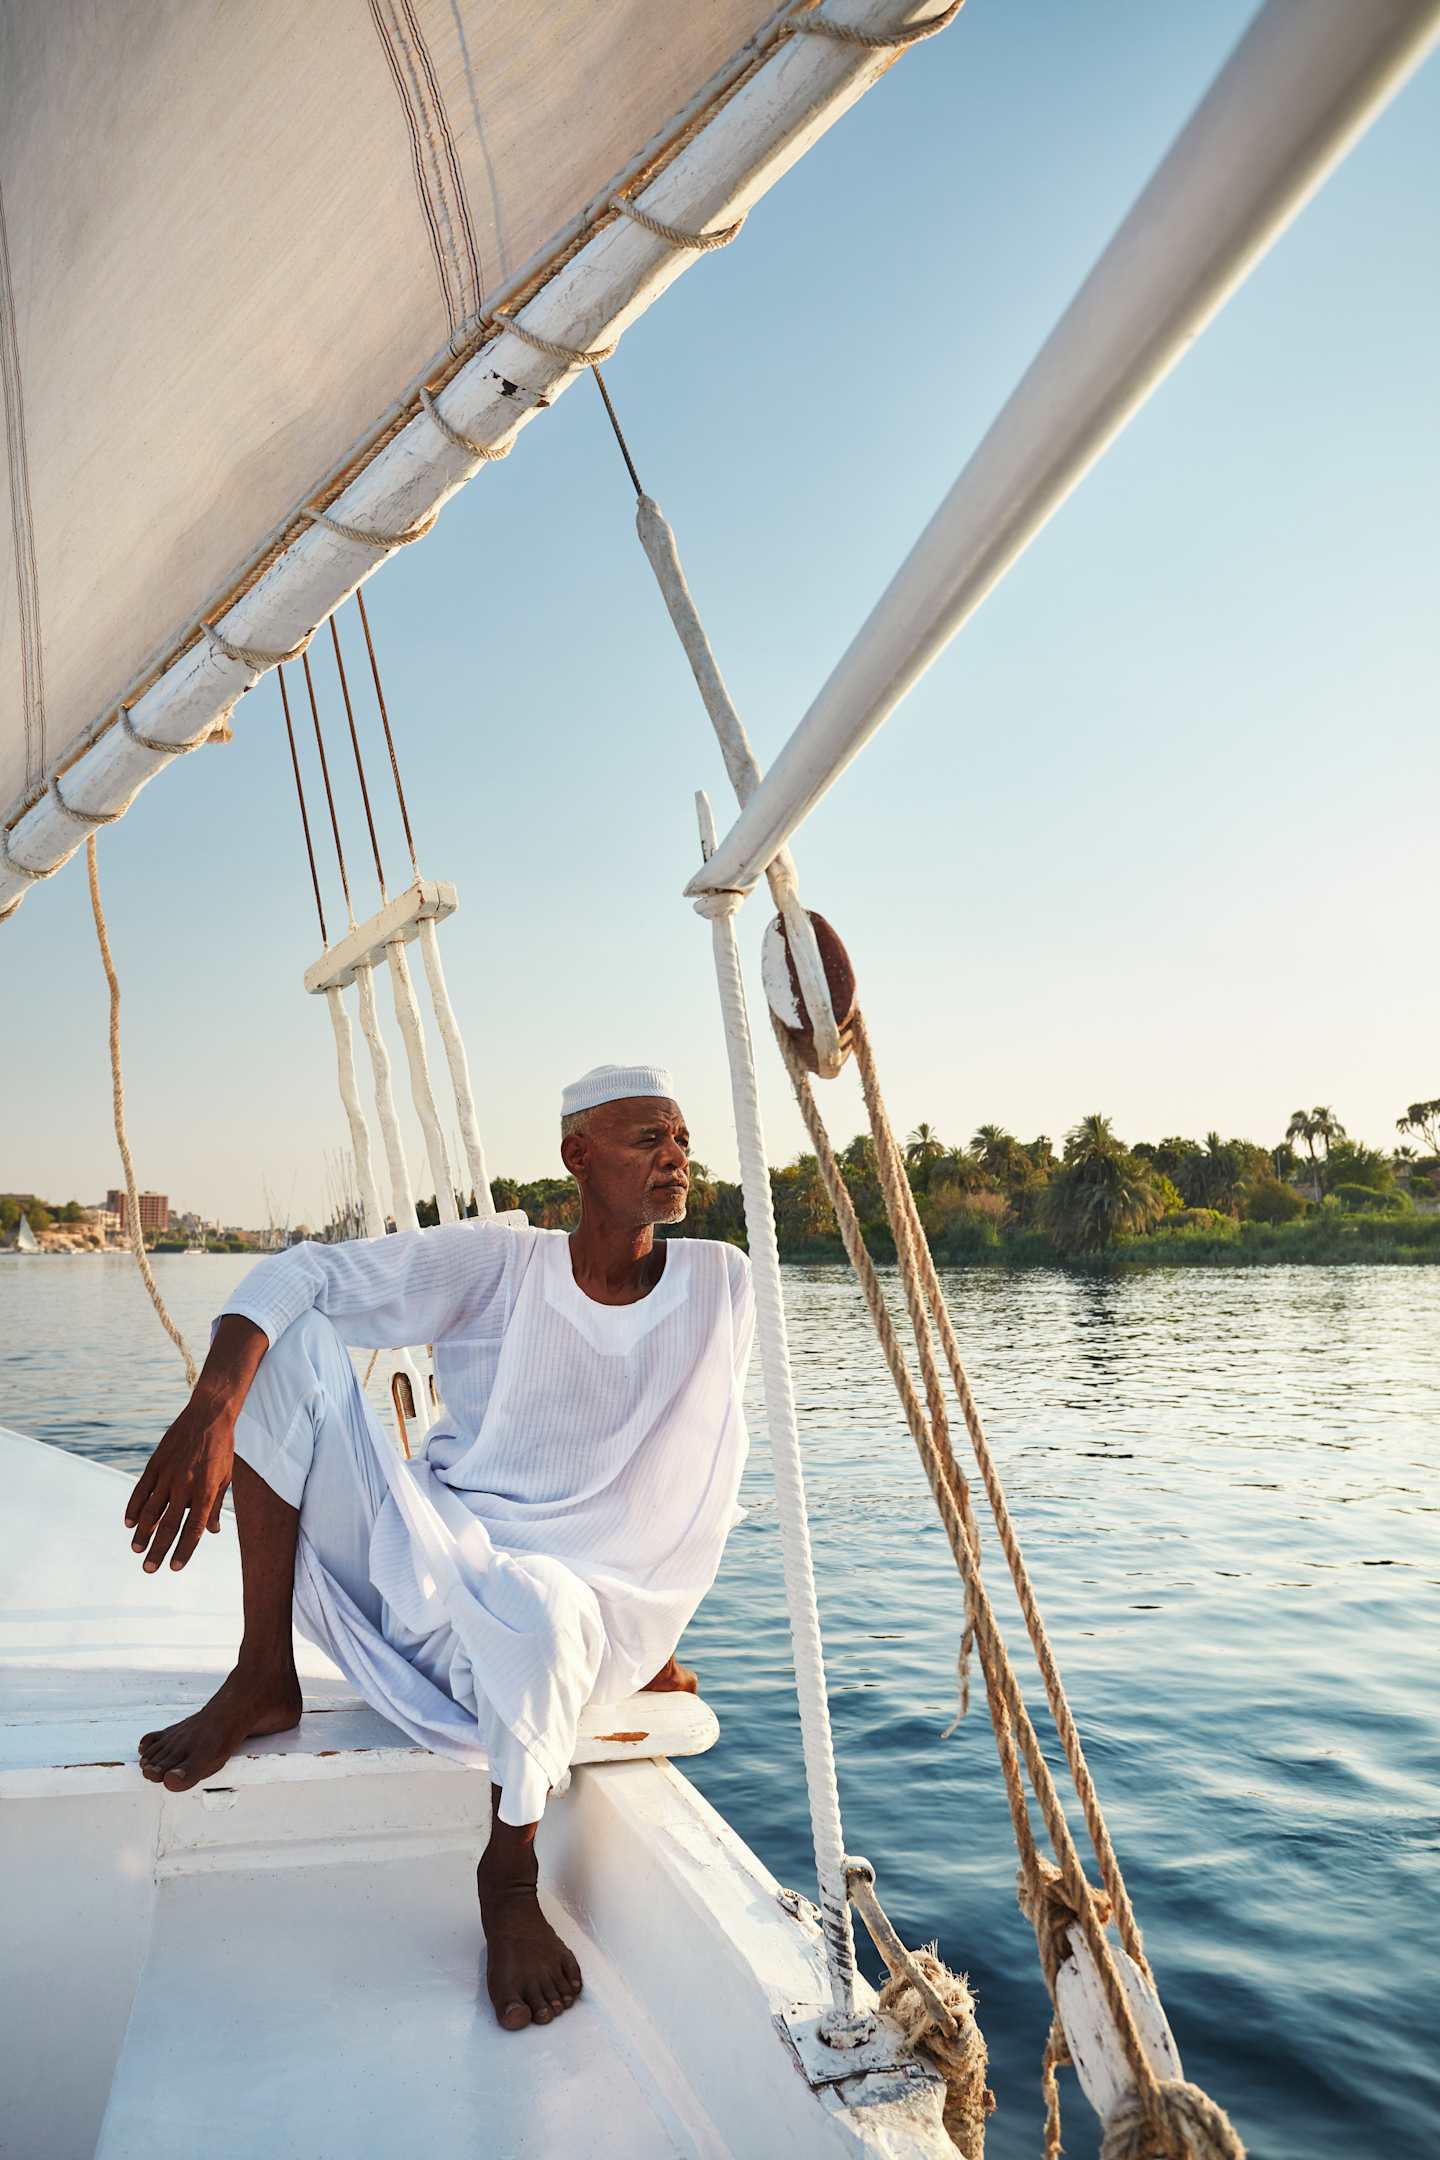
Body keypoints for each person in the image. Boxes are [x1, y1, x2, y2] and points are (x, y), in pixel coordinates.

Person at [123, 1064, 754, 2031]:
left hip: (573, 1620)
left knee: (543, 1611)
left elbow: (690, 1472)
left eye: (680, 1140)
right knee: (287, 1347)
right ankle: (261, 1674)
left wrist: (648, 1637)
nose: (674, 1156)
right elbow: (299, 1274)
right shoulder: (501, 1264)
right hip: (435, 1566)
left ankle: (508, 1879)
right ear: (577, 1156)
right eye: (646, 1139)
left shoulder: (720, 1285)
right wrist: (215, 1405)